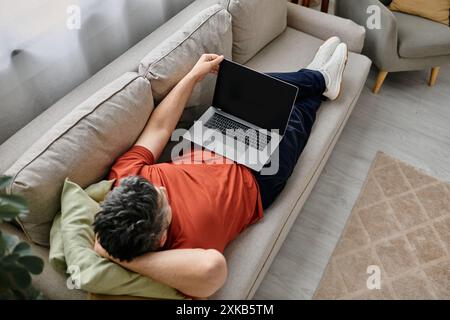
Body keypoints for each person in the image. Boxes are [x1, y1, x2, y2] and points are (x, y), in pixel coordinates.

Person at [93, 37, 348, 298]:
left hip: (214, 141)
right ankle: (321, 80)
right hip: (258, 179)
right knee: (294, 117)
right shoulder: (184, 252)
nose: (160, 185)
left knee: (257, 87)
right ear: (160, 239)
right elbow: (214, 268)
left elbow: (159, 127)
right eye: (163, 197)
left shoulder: (125, 177)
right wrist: (127, 260)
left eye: (151, 185)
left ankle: (320, 77)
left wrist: (194, 75)